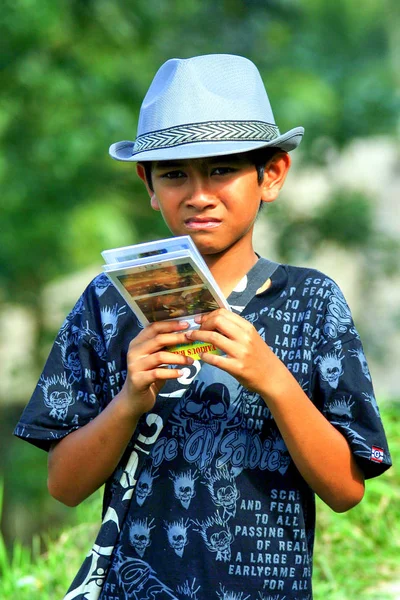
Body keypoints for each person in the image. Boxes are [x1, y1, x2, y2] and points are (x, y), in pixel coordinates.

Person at [14, 54, 391, 600]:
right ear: (148, 183)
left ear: (272, 174)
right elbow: (63, 486)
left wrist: (274, 380)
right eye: (174, 174)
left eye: (221, 169)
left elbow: (346, 491)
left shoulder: (311, 300)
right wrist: (129, 401)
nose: (198, 194)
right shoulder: (110, 300)